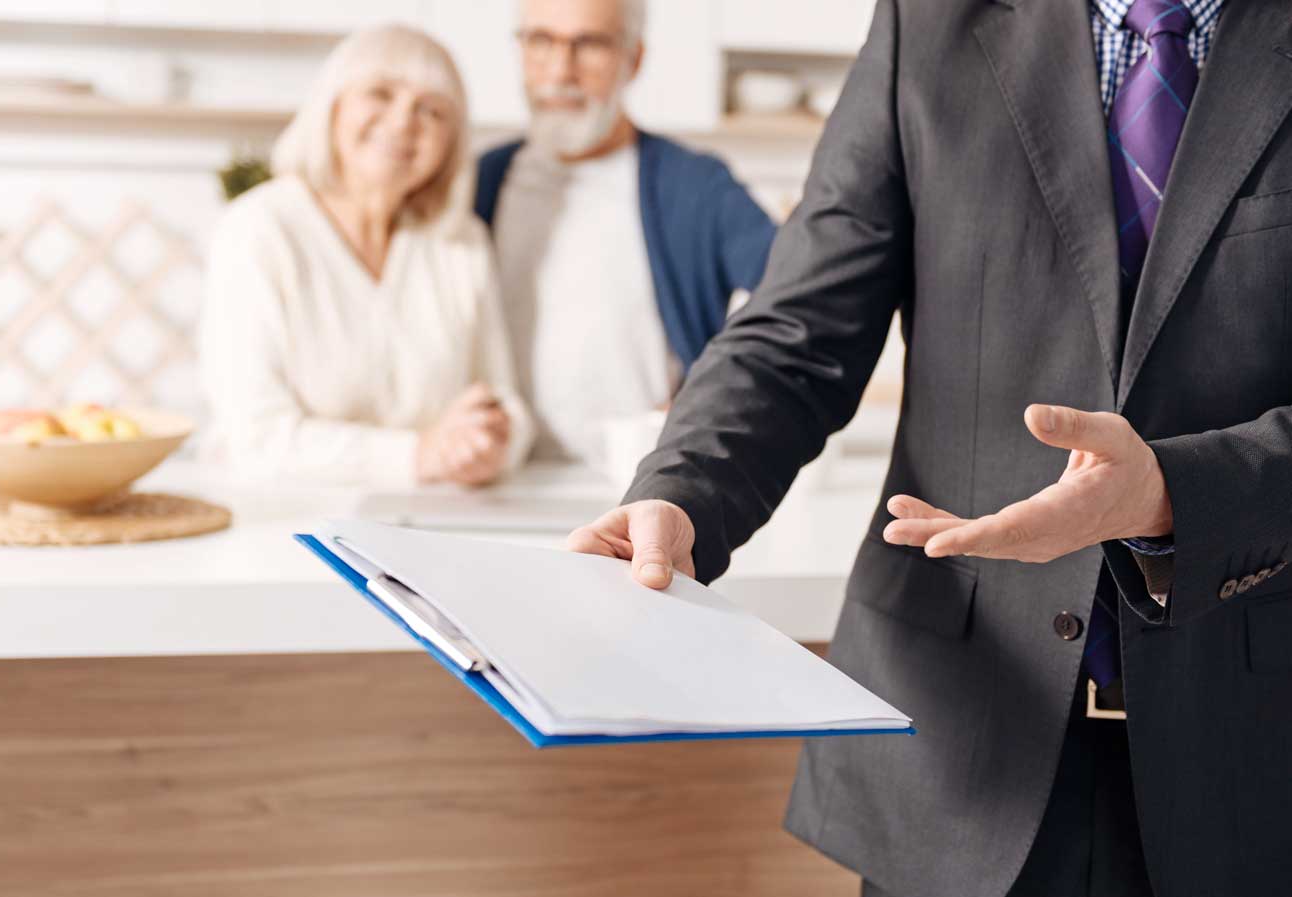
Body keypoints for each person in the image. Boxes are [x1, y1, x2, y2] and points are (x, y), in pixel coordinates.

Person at [568, 1, 1292, 895]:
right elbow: (799, 328)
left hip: (1253, 754)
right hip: (964, 743)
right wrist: (681, 490)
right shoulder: (929, 20)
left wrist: (1176, 494)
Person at [200, 26, 533, 488]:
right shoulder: (259, 228)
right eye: (380, 94)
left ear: (450, 145)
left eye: (432, 111)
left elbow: (504, 403)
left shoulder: (460, 241)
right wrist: (419, 455)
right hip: (280, 523)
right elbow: (254, 438)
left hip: (431, 520)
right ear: (332, 108)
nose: (404, 122)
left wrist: (494, 443)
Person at [474, 0, 776, 466]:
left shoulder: (695, 185)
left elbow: (794, 293)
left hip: (641, 482)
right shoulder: (480, 182)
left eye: (588, 44)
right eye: (540, 41)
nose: (560, 69)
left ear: (633, 59)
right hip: (502, 481)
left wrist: (712, 398)